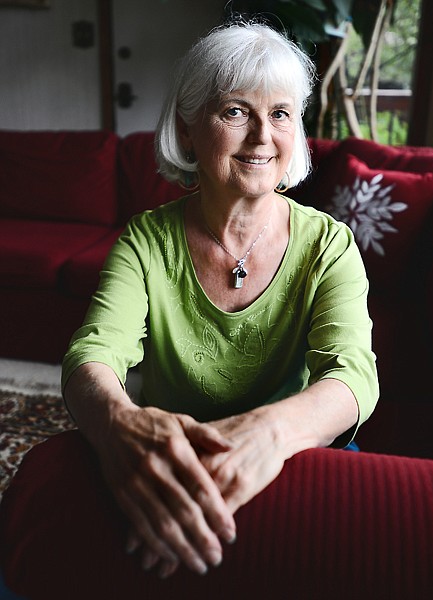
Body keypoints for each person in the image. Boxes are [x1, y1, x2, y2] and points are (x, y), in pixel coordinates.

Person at [62, 20, 378, 581]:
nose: (261, 136)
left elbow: (353, 377)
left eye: (280, 114)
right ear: (187, 132)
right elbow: (93, 355)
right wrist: (118, 425)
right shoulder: (146, 240)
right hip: (172, 459)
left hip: (294, 458)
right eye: (235, 111)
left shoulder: (329, 243)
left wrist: (269, 433)